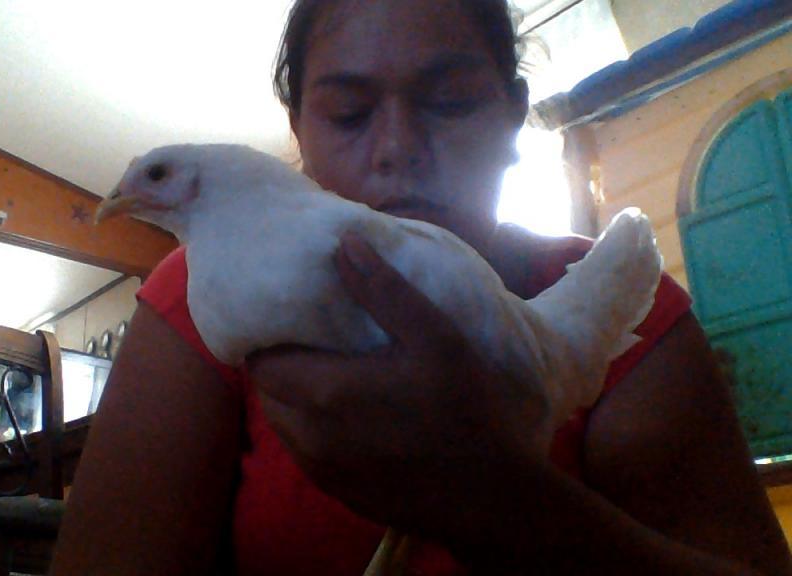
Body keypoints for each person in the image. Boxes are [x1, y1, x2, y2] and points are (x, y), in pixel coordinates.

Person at [50, 0, 792, 574]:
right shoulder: (193, 302)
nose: (397, 148)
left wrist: (497, 499)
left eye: (451, 99)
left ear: (514, 116)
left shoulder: (648, 332)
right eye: (349, 112)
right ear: (298, 131)